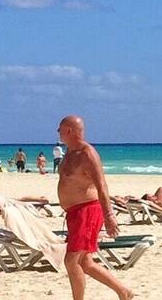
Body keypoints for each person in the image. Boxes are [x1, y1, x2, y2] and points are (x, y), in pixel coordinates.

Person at [56, 115, 133, 300]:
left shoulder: (87, 154)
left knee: (71, 260)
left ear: (69, 130)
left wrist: (109, 215)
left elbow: (102, 186)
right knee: (86, 262)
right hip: (74, 213)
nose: (57, 132)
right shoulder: (68, 152)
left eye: (59, 129)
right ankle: (124, 292)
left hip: (87, 211)